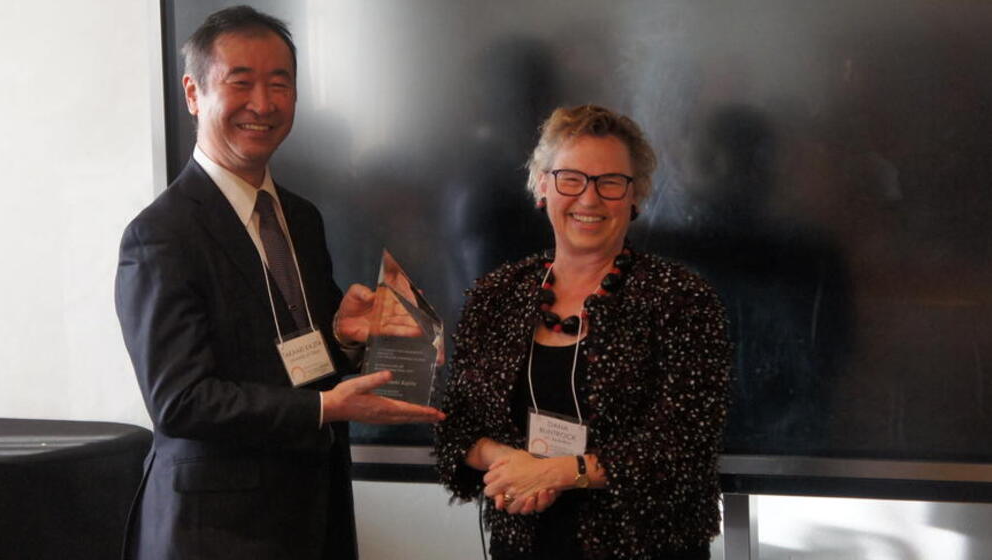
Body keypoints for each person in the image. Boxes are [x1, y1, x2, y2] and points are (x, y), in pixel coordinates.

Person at [114, 6, 444, 560]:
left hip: (311, 510)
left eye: (280, 84)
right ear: (194, 93)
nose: (263, 104)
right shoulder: (160, 235)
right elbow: (181, 401)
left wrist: (343, 335)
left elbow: (301, 356)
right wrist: (324, 410)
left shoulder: (301, 216)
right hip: (213, 531)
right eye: (240, 83)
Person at [435, 105, 731, 559]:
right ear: (542, 187)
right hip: (524, 545)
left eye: (610, 182)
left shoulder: (680, 298)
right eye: (570, 178)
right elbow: (455, 429)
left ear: (635, 197)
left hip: (648, 548)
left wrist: (558, 472)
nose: (589, 200)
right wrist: (508, 464)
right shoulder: (496, 295)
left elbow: (683, 446)